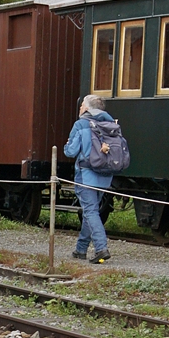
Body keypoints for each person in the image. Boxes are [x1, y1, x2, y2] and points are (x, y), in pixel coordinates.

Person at [64, 94, 114, 264]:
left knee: (90, 212)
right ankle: (81, 249)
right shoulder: (110, 123)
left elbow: (70, 152)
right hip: (105, 176)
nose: (80, 108)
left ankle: (101, 248)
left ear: (87, 108)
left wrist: (67, 144)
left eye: (81, 105)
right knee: (91, 211)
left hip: (86, 176)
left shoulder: (81, 124)